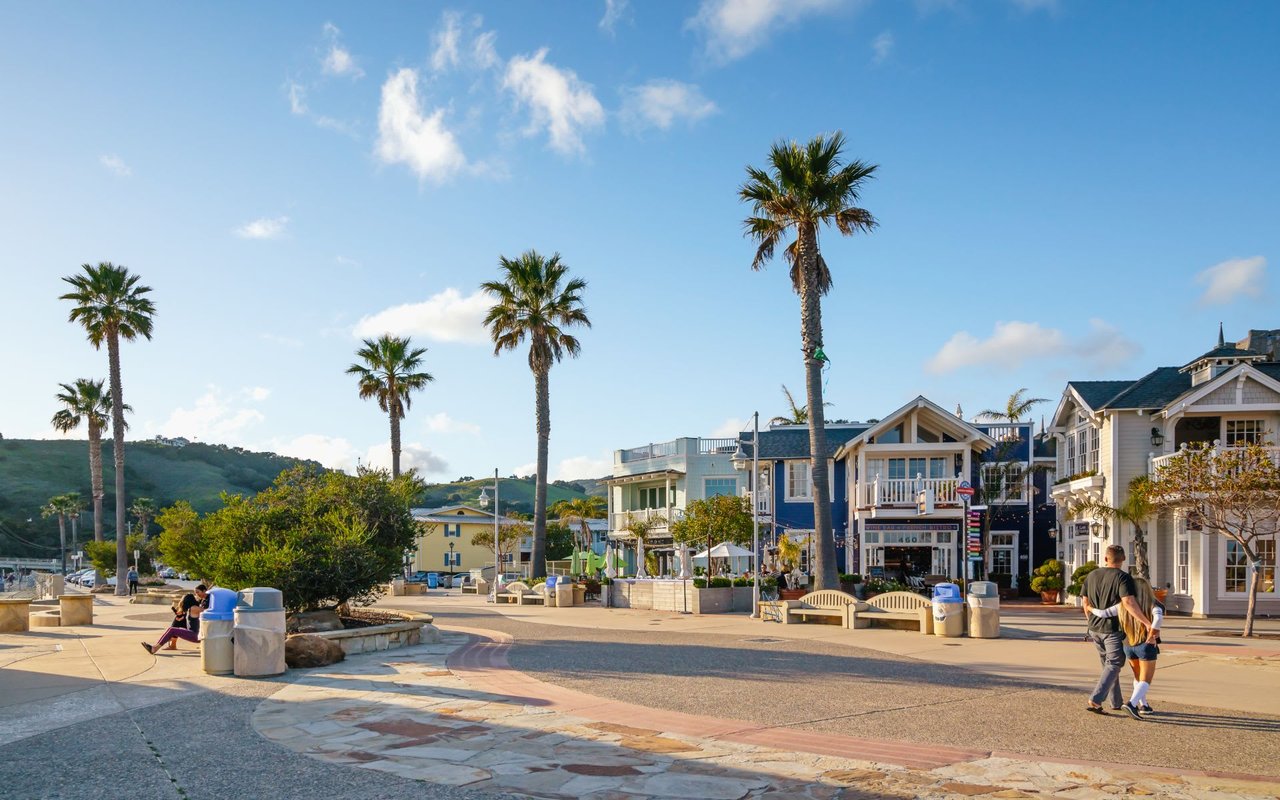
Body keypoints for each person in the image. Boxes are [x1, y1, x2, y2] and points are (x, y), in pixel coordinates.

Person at [1081, 545, 1153, 719]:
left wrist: (1090, 621)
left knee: (1107, 664)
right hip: (1112, 629)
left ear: (1106, 558)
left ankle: (1115, 701)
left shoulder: (1091, 576)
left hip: (1094, 627)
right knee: (1114, 663)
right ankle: (1096, 699)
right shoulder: (1123, 577)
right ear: (1123, 560)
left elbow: (1085, 602)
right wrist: (1146, 622)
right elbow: (1128, 602)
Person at [1088, 576, 1163, 716]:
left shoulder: (1122, 606)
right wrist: (1152, 633)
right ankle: (1132, 704)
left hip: (1128, 645)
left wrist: (1089, 608)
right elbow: (1158, 618)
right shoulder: (1154, 605)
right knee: (1145, 679)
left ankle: (1144, 705)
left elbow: (1103, 613)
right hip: (1145, 646)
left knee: (1137, 677)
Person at [142, 584, 208, 655]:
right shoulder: (191, 609)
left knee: (172, 630)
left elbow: (207, 610)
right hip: (193, 633)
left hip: (196, 635)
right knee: (172, 628)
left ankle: (155, 648)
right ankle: (155, 647)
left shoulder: (194, 608)